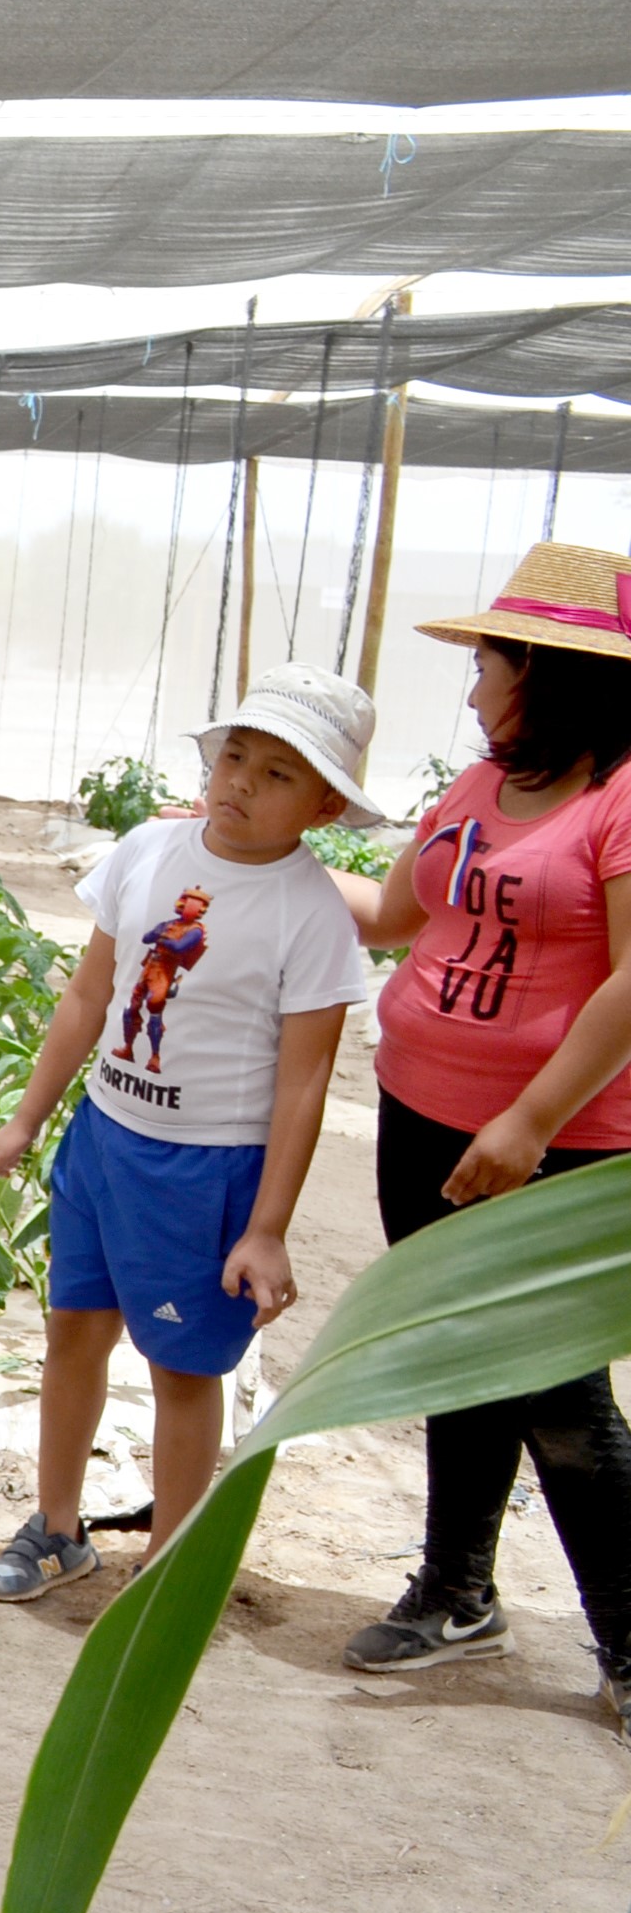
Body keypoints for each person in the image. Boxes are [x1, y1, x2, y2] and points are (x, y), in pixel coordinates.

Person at [0, 667, 377, 1602]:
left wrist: (265, 1226)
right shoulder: (149, 848)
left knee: (184, 1371)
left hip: (209, 1169)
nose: (240, 783)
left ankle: (168, 1570)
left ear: (321, 805)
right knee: (74, 1330)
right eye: (235, 756)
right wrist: (28, 1119)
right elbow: (86, 995)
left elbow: (306, 1082)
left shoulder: (310, 915)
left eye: (276, 774)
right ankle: (57, 1531)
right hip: (105, 1138)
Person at [330, 542, 631, 1725]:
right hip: (423, 1113)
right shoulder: (478, 789)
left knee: (560, 1392)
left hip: (554, 1141)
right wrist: (259, 852)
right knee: (456, 1349)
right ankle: (456, 1591)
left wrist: (529, 1118)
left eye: (488, 663)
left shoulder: (619, 799)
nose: (470, 688)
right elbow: (397, 916)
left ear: (547, 672)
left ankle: (628, 1642)